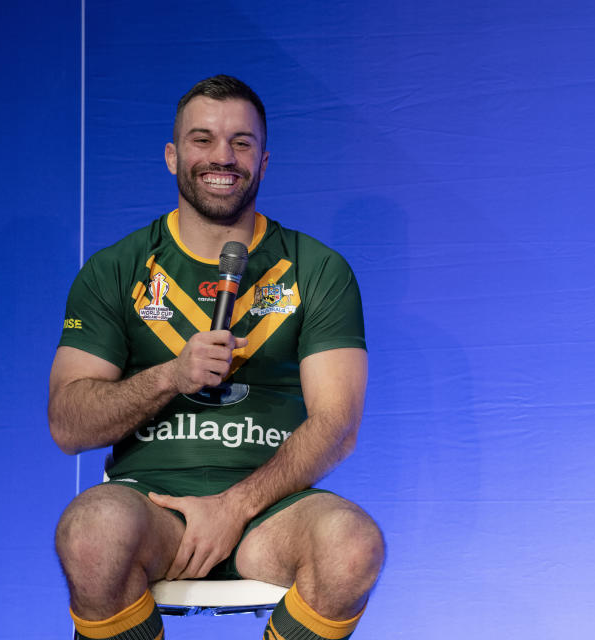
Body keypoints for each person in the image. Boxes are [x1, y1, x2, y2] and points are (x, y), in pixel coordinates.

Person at [50, 75, 384, 640]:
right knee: (90, 532)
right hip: (150, 505)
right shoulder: (116, 268)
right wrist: (171, 375)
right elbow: (68, 423)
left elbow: (337, 425)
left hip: (272, 512)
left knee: (353, 545)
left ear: (264, 159)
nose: (221, 157)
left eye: (241, 142)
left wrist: (235, 506)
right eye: (202, 140)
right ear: (172, 155)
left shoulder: (318, 268)